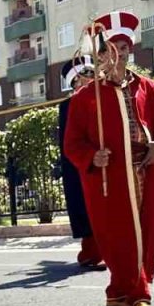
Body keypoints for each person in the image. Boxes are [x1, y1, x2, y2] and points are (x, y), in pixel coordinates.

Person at [63, 10, 154, 306]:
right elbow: (72, 144)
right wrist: (91, 157)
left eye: (124, 49)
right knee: (120, 235)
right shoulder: (85, 98)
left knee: (146, 232)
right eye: (111, 49)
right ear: (100, 55)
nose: (118, 56)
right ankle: (138, 295)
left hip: (146, 169)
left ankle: (121, 293)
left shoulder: (149, 88)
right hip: (110, 177)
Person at [57, 56, 105, 270]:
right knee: (87, 209)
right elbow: (71, 143)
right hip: (84, 164)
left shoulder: (104, 97)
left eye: (93, 73)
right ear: (75, 81)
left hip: (107, 159)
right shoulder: (70, 105)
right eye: (87, 75)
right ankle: (90, 253)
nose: (93, 77)